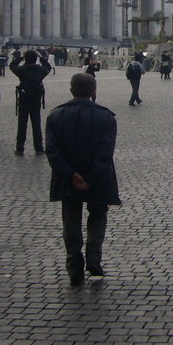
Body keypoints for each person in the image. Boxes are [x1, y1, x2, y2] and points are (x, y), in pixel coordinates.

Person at [45, 73, 121, 286]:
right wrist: (90, 176)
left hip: (67, 180)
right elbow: (105, 153)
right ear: (94, 91)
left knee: (71, 221)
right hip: (98, 179)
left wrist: (71, 175)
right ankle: (94, 257)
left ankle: (74, 267)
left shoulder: (55, 116)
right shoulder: (106, 117)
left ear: (71, 90)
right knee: (98, 215)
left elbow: (52, 151)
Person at [10, 49, 52, 155]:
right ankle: (39, 148)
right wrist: (41, 57)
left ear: (26, 59)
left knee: (22, 124)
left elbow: (12, 65)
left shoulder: (22, 70)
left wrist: (20, 57)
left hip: (24, 98)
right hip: (36, 99)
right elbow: (48, 67)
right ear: (35, 59)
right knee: (36, 124)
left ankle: (19, 148)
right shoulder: (40, 70)